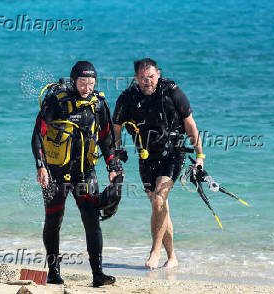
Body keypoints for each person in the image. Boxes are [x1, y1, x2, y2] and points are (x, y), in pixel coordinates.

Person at [31, 61, 122, 286]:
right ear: (73, 81)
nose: (87, 87)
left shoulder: (98, 105)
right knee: (54, 220)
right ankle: (53, 272)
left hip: (85, 173)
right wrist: (41, 166)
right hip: (55, 174)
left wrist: (113, 168)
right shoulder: (57, 101)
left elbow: (107, 140)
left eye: (91, 83)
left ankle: (98, 274)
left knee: (92, 220)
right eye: (83, 82)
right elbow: (38, 135)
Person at [112, 58, 205, 269]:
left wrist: (200, 157)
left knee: (158, 201)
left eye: (152, 77)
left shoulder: (172, 93)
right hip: (146, 157)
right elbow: (115, 126)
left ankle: (154, 252)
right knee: (160, 207)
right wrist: (117, 152)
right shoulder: (127, 98)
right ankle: (172, 257)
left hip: (173, 152)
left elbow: (191, 126)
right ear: (136, 78)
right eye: (143, 78)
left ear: (159, 74)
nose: (148, 82)